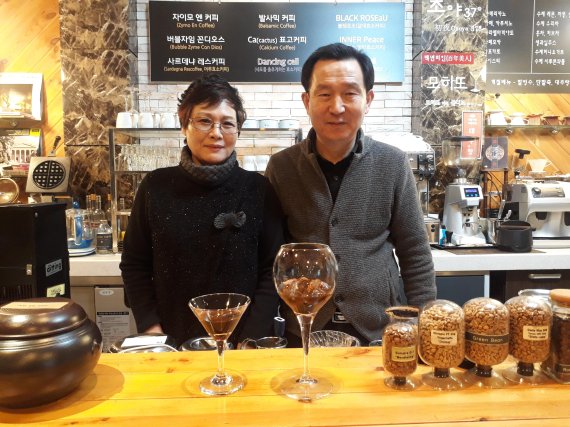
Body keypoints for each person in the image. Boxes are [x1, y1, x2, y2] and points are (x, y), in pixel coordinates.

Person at [264, 43, 436, 346]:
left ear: (368, 100)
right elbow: (270, 255)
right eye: (324, 94)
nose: (337, 107)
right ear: (306, 101)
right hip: (303, 329)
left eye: (350, 93)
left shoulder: (392, 163)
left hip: (378, 330)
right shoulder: (282, 167)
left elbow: (415, 253)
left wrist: (424, 325)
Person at [120, 74, 284, 347]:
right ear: (184, 125)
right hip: (171, 340)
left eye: (227, 124)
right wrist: (152, 329)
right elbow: (135, 264)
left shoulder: (259, 189)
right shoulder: (155, 186)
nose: (216, 133)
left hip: (244, 343)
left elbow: (273, 270)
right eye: (204, 121)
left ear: (238, 131)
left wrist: (250, 339)